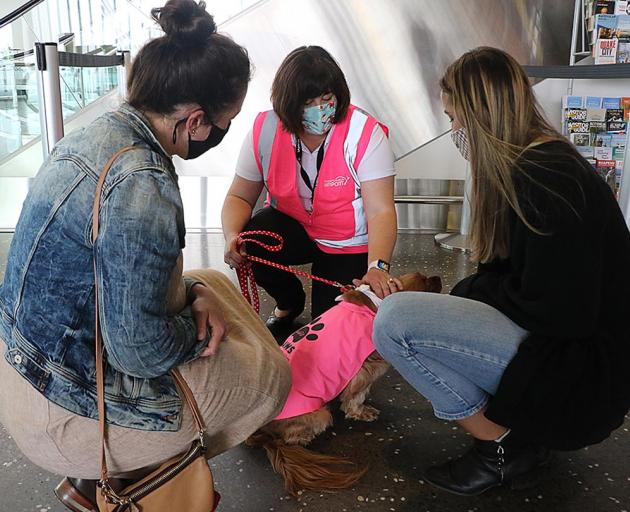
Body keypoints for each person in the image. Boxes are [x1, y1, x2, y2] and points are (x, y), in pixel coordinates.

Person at [0, 1, 290, 510]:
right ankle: (132, 473)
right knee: (270, 377)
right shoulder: (143, 187)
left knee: (207, 281)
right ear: (194, 120)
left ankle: (124, 466)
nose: (221, 134)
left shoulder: (102, 132)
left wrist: (198, 295)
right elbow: (141, 352)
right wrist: (195, 332)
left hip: (27, 360)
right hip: (63, 409)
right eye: (226, 121)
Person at [373, 47, 630, 496]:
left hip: (583, 378)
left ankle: (502, 446)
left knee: (394, 324)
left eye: (456, 117)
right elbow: (524, 280)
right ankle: (516, 433)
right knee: (433, 311)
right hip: (583, 359)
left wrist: (470, 296)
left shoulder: (546, 178)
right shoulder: (540, 163)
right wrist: (469, 296)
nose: (454, 130)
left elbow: (559, 312)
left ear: (480, 113)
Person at [221, 45, 401, 336]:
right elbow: (239, 196)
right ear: (287, 104)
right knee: (250, 240)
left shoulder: (365, 133)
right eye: (308, 101)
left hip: (346, 242)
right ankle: (289, 302)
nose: (320, 108)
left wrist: (378, 265)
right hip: (294, 227)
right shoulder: (266, 128)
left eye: (327, 97)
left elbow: (381, 210)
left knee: (326, 335)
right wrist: (231, 236)